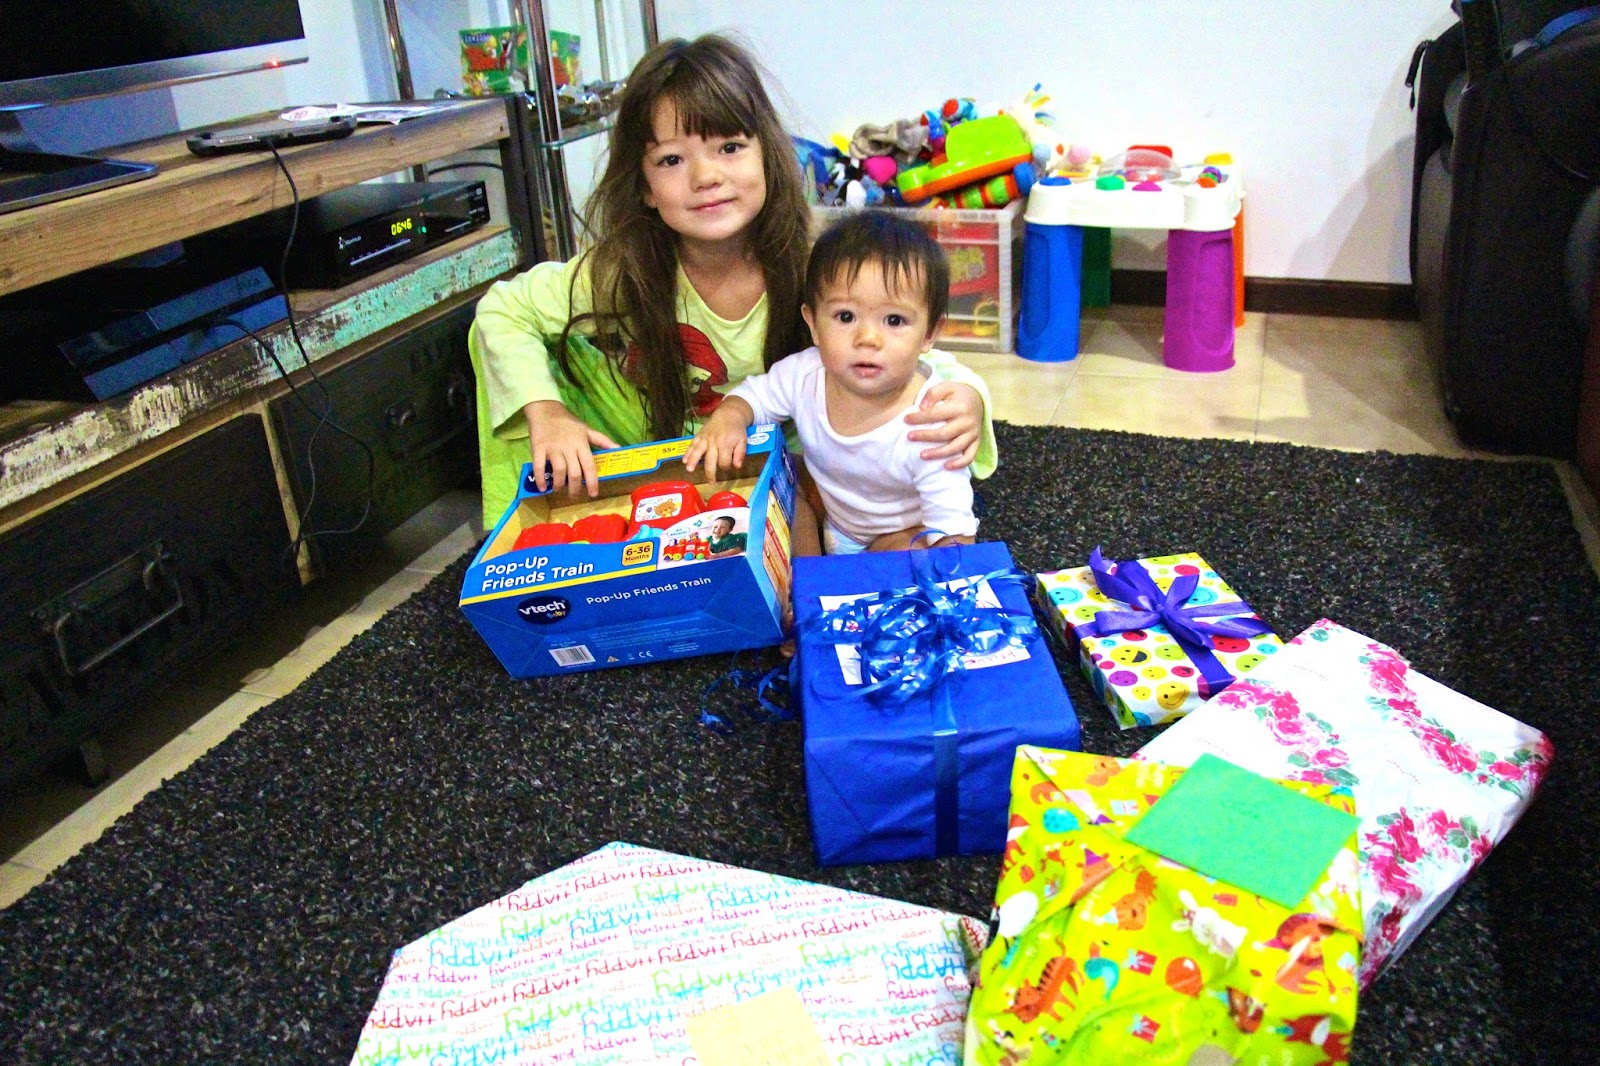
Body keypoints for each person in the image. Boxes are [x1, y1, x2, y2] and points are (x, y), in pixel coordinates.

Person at [468, 34, 997, 531]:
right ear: (644, 186)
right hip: (657, 446)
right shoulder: (624, 268)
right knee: (501, 347)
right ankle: (531, 529)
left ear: (767, 154)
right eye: (672, 160)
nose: (706, 177)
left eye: (730, 148)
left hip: (779, 455)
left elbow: (903, 340)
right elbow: (503, 310)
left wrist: (968, 399)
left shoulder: (812, 262)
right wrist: (548, 414)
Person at [685, 211, 977, 555]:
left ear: (929, 334)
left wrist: (950, 562)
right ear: (813, 323)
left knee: (913, 552)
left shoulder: (931, 422)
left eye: (894, 320)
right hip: (831, 517)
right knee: (777, 481)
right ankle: (804, 575)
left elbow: (952, 532)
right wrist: (729, 416)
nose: (867, 338)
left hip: (897, 533)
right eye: (845, 316)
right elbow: (756, 395)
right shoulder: (805, 374)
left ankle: (837, 578)